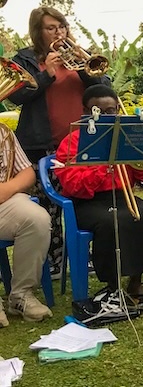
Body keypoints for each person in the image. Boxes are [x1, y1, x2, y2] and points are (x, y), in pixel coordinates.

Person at [9, 6, 111, 279]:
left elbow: (105, 87)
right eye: (51, 28)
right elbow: (16, 96)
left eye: (61, 26)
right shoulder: (25, 59)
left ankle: (85, 257)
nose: (58, 33)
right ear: (38, 31)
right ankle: (54, 262)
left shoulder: (79, 56)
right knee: (49, 207)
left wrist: (84, 68)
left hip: (82, 142)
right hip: (42, 144)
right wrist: (47, 74)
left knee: (84, 199)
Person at [54, 85, 143, 312]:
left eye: (111, 111)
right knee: (111, 223)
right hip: (87, 202)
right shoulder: (72, 141)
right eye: (98, 112)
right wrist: (105, 165)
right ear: (86, 112)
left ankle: (136, 280)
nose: (106, 117)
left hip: (122, 196)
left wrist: (138, 156)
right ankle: (113, 285)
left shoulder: (126, 136)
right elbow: (73, 185)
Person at [0, 126, 53, 326]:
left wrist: (7, 189)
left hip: (5, 200)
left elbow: (27, 173)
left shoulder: (3, 133)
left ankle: (21, 296)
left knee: (36, 219)